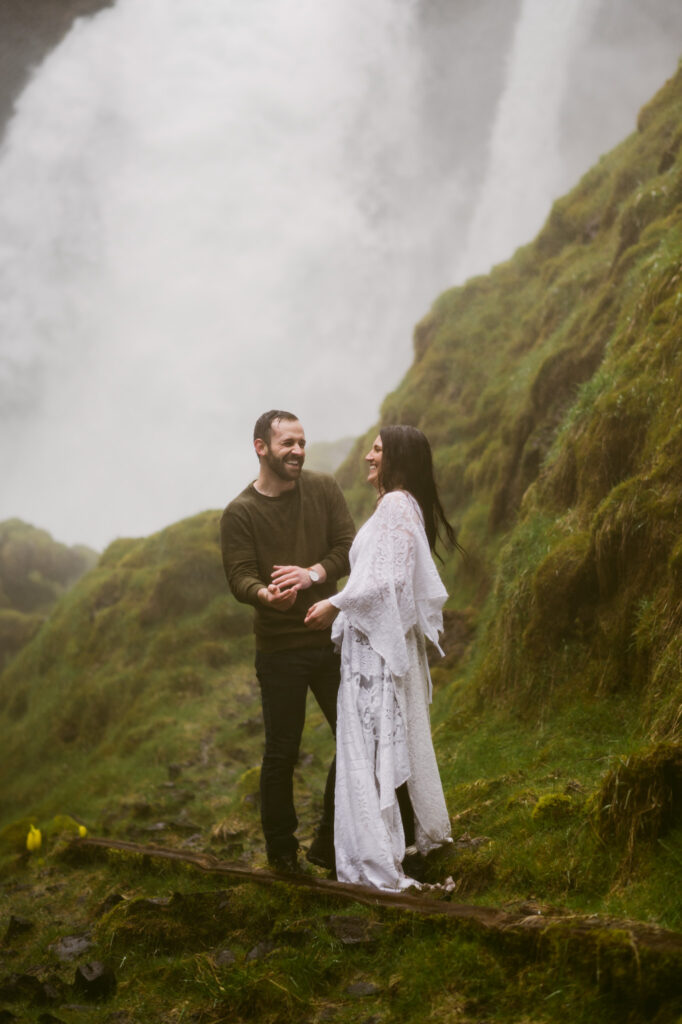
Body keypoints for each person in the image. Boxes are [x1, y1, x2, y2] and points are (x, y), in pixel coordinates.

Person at [305, 425, 458, 890]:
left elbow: (389, 582)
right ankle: (375, 842)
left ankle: (374, 850)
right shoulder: (399, 506)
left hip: (374, 650)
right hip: (370, 641)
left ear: (397, 460)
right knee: (373, 743)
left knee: (369, 743)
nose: (369, 457)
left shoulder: (395, 506)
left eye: (377, 450)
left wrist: (335, 602)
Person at [220, 410, 355, 873]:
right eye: (287, 444)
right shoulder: (240, 513)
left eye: (301, 442)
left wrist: (312, 573)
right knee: (282, 751)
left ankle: (328, 842)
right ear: (261, 447)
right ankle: (282, 853)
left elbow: (346, 547)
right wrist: (265, 595)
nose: (297, 451)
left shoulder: (324, 488)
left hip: (331, 641)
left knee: (357, 737)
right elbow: (239, 577)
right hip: (279, 650)